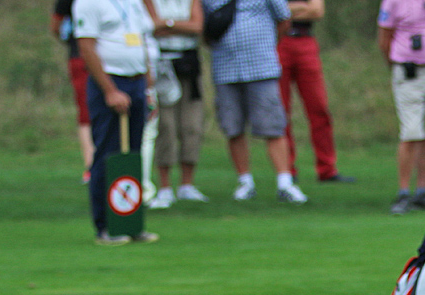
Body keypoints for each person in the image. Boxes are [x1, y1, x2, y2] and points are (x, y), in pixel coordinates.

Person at [203, 0, 309, 204]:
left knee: (273, 127)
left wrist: (265, 46)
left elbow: (284, 19)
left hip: (262, 67)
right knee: (233, 127)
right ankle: (245, 183)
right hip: (225, 69)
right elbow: (205, 29)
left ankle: (285, 183)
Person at [74, 0, 160, 245]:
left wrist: (147, 83)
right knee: (108, 154)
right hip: (110, 82)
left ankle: (130, 222)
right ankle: (105, 226)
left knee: (133, 155)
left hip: (136, 82)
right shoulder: (89, 3)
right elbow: (87, 47)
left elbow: (141, 40)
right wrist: (110, 90)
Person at [377, 0, 425, 214]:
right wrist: (397, 64)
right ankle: (404, 192)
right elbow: (385, 37)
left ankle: (422, 190)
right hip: (410, 71)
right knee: (411, 133)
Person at [279, 0, 357, 185]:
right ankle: (287, 169)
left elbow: (316, 11)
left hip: (305, 42)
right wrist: (299, 8)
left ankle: (327, 169)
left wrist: (286, 11)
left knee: (319, 108)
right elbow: (269, 12)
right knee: (281, 111)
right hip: (279, 42)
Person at [143, 0, 209, 209]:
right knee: (166, 126)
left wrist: (167, 24)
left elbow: (197, 26)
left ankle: (186, 184)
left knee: (192, 126)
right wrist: (180, 25)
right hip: (161, 65)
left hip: (188, 64)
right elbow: (151, 25)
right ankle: (164, 187)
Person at [52, 0, 95, 185]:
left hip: (110, 56)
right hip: (80, 57)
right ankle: (91, 166)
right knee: (86, 112)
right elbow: (56, 25)